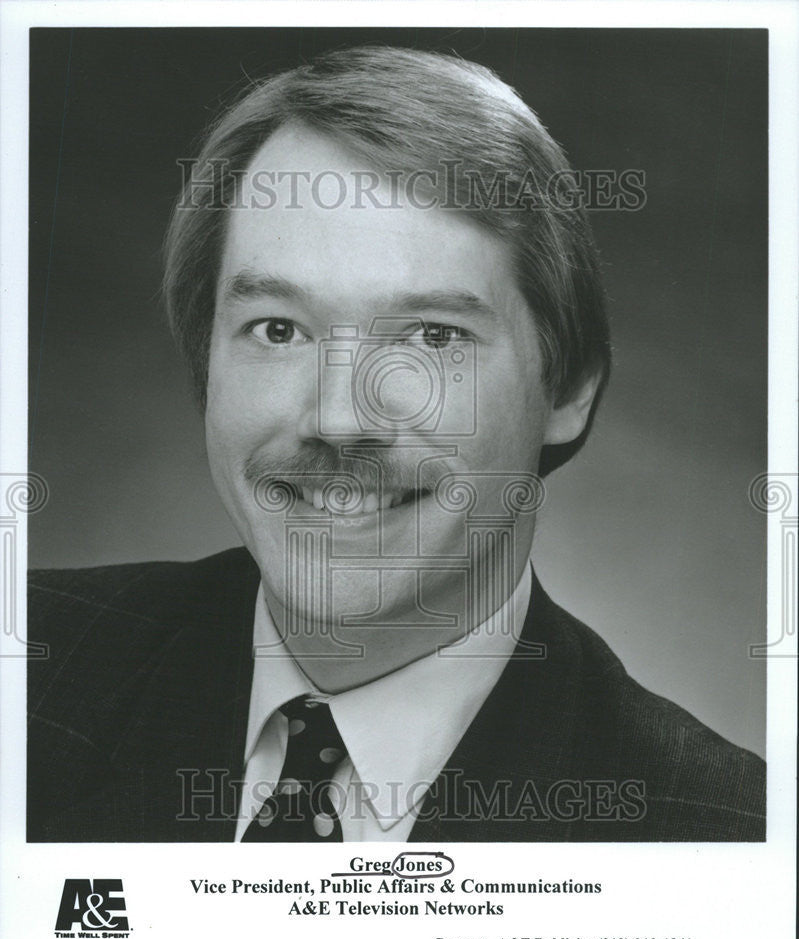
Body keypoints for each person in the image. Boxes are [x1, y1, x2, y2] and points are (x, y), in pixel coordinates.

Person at [27, 45, 765, 843]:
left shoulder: (722, 836)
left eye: (431, 336)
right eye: (278, 329)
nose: (340, 417)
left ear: (568, 387)